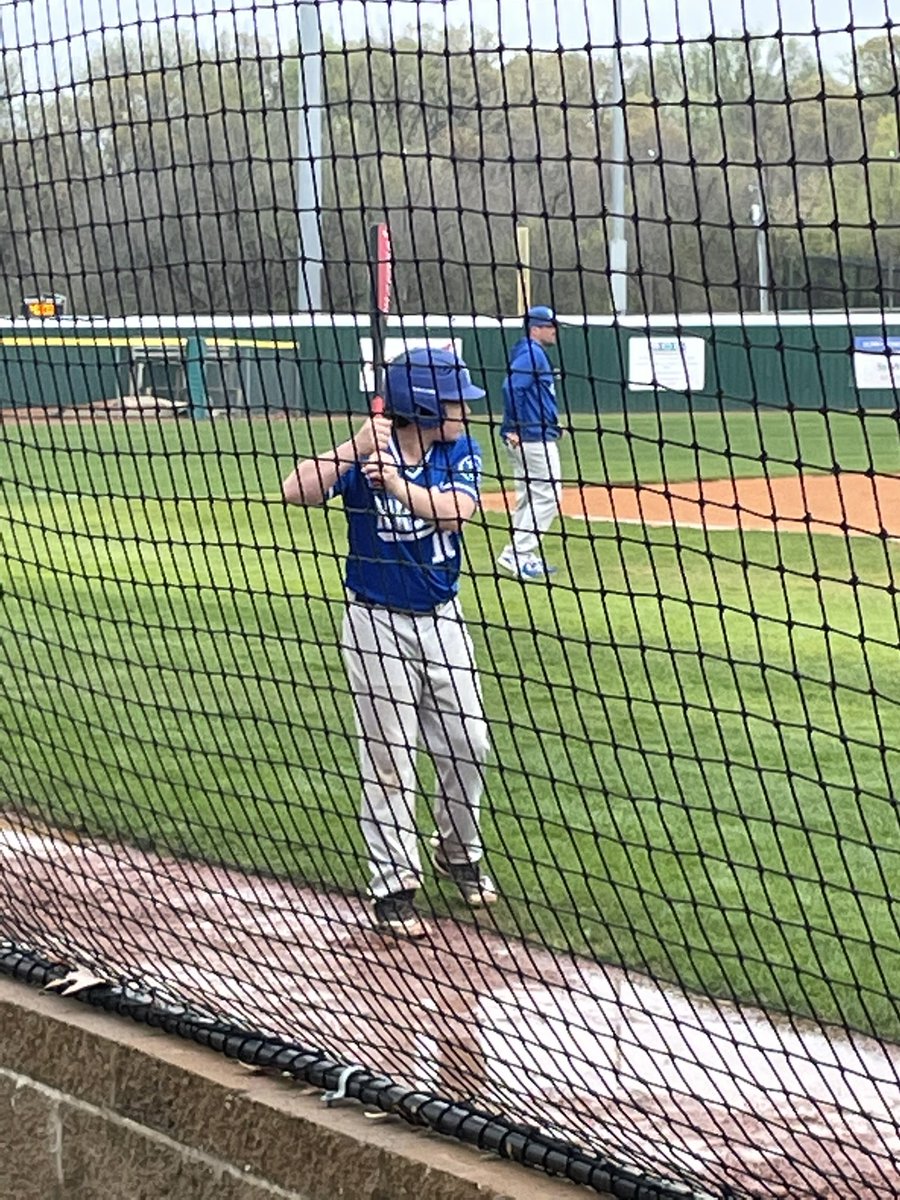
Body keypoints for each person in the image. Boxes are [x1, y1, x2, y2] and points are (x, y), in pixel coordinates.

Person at [282, 346, 496, 939]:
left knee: (468, 742)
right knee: (389, 754)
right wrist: (356, 448)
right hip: (375, 622)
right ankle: (394, 885)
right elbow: (293, 489)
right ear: (423, 404)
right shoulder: (365, 452)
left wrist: (398, 485)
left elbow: (456, 513)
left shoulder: (459, 451)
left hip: (441, 616)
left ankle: (458, 849)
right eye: (455, 400)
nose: (466, 410)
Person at [495, 304, 563, 581]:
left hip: (529, 434)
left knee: (529, 496)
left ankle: (518, 553)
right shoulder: (533, 354)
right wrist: (519, 426)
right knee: (549, 494)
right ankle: (519, 553)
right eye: (549, 326)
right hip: (532, 437)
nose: (554, 330)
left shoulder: (527, 351)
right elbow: (510, 387)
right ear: (535, 329)